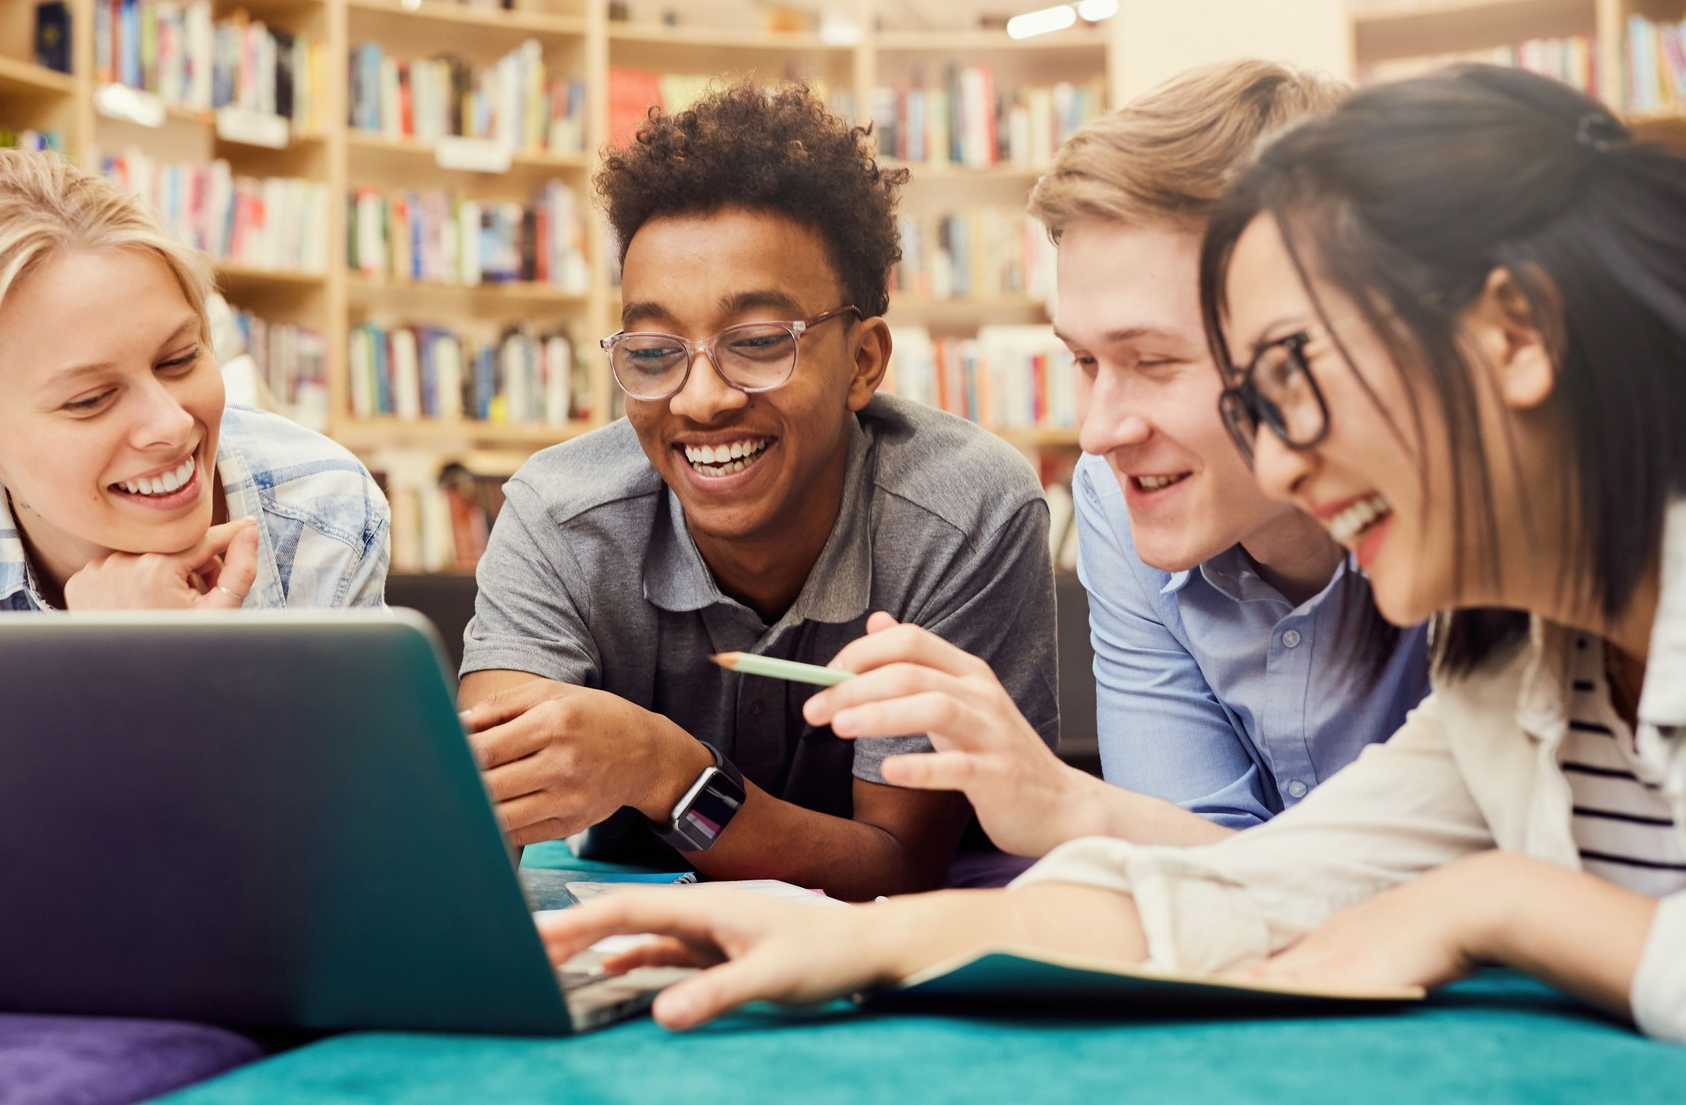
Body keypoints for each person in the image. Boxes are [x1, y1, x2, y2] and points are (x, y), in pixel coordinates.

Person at [538, 67, 1686, 1044]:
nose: (1283, 459)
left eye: (1295, 375)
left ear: (1516, 335)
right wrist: (852, 938)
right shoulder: (1510, 670)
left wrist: (1503, 902)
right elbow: (1250, 888)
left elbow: (1416, 894)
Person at [796, 61, 1428, 865]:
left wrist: (1070, 807)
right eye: (1086, 362)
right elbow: (1200, 870)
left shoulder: (1475, 529)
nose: (1096, 434)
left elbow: (1490, 887)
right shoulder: (1115, 495)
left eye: (1155, 362)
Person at [457, 80, 1057, 901]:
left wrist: (663, 768)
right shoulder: (560, 514)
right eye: (655, 349)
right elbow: (476, 832)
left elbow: (895, 867)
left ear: (863, 363)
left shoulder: (964, 514)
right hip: (643, 939)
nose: (701, 400)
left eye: (760, 341)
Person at [0, 148, 391, 927]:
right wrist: (106, 684)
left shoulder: (319, 513)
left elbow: (339, 888)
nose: (171, 424)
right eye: (90, 399)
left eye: (181, 358)